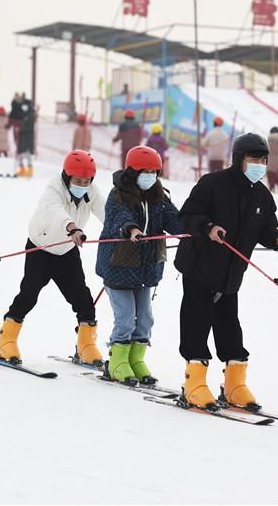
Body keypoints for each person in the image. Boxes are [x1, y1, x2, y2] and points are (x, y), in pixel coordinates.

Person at [174, 133, 278, 410]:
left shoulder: (262, 194)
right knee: (197, 320)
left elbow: (266, 226)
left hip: (230, 274)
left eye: (263, 160)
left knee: (229, 326)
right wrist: (208, 227)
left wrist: (277, 240)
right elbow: (187, 217)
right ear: (239, 159)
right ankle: (194, 383)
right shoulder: (213, 184)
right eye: (253, 159)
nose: (259, 164)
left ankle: (235, 384)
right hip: (200, 267)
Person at [0, 150, 107, 366]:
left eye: (87, 180)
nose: (83, 184)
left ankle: (86, 346)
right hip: (40, 249)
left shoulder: (92, 191)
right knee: (29, 294)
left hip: (66, 251)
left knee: (82, 298)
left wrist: (122, 230)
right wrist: (72, 227)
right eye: (78, 180)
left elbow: (106, 212)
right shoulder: (53, 188)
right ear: (66, 176)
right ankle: (5, 341)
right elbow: (55, 211)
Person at [95, 146, 184, 385]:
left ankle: (135, 359)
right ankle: (117, 361)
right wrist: (132, 229)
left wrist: (191, 229)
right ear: (133, 171)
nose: (151, 176)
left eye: (154, 171)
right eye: (145, 171)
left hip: (146, 268)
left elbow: (173, 218)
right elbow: (119, 217)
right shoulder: (118, 195)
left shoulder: (158, 196)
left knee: (144, 318)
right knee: (125, 318)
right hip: (119, 265)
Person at [16, 101, 36, 177]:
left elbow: (29, 127)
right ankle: (22, 169)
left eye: (25, 105)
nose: (24, 107)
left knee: (28, 154)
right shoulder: (23, 114)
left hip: (28, 137)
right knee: (20, 153)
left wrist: (21, 128)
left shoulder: (31, 115)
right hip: (22, 137)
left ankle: (29, 170)